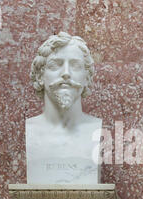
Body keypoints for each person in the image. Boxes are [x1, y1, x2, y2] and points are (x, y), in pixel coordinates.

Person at [26, 32, 102, 184]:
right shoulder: (30, 130)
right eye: (55, 65)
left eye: (75, 65)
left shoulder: (96, 131)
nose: (66, 73)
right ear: (40, 76)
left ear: (86, 78)